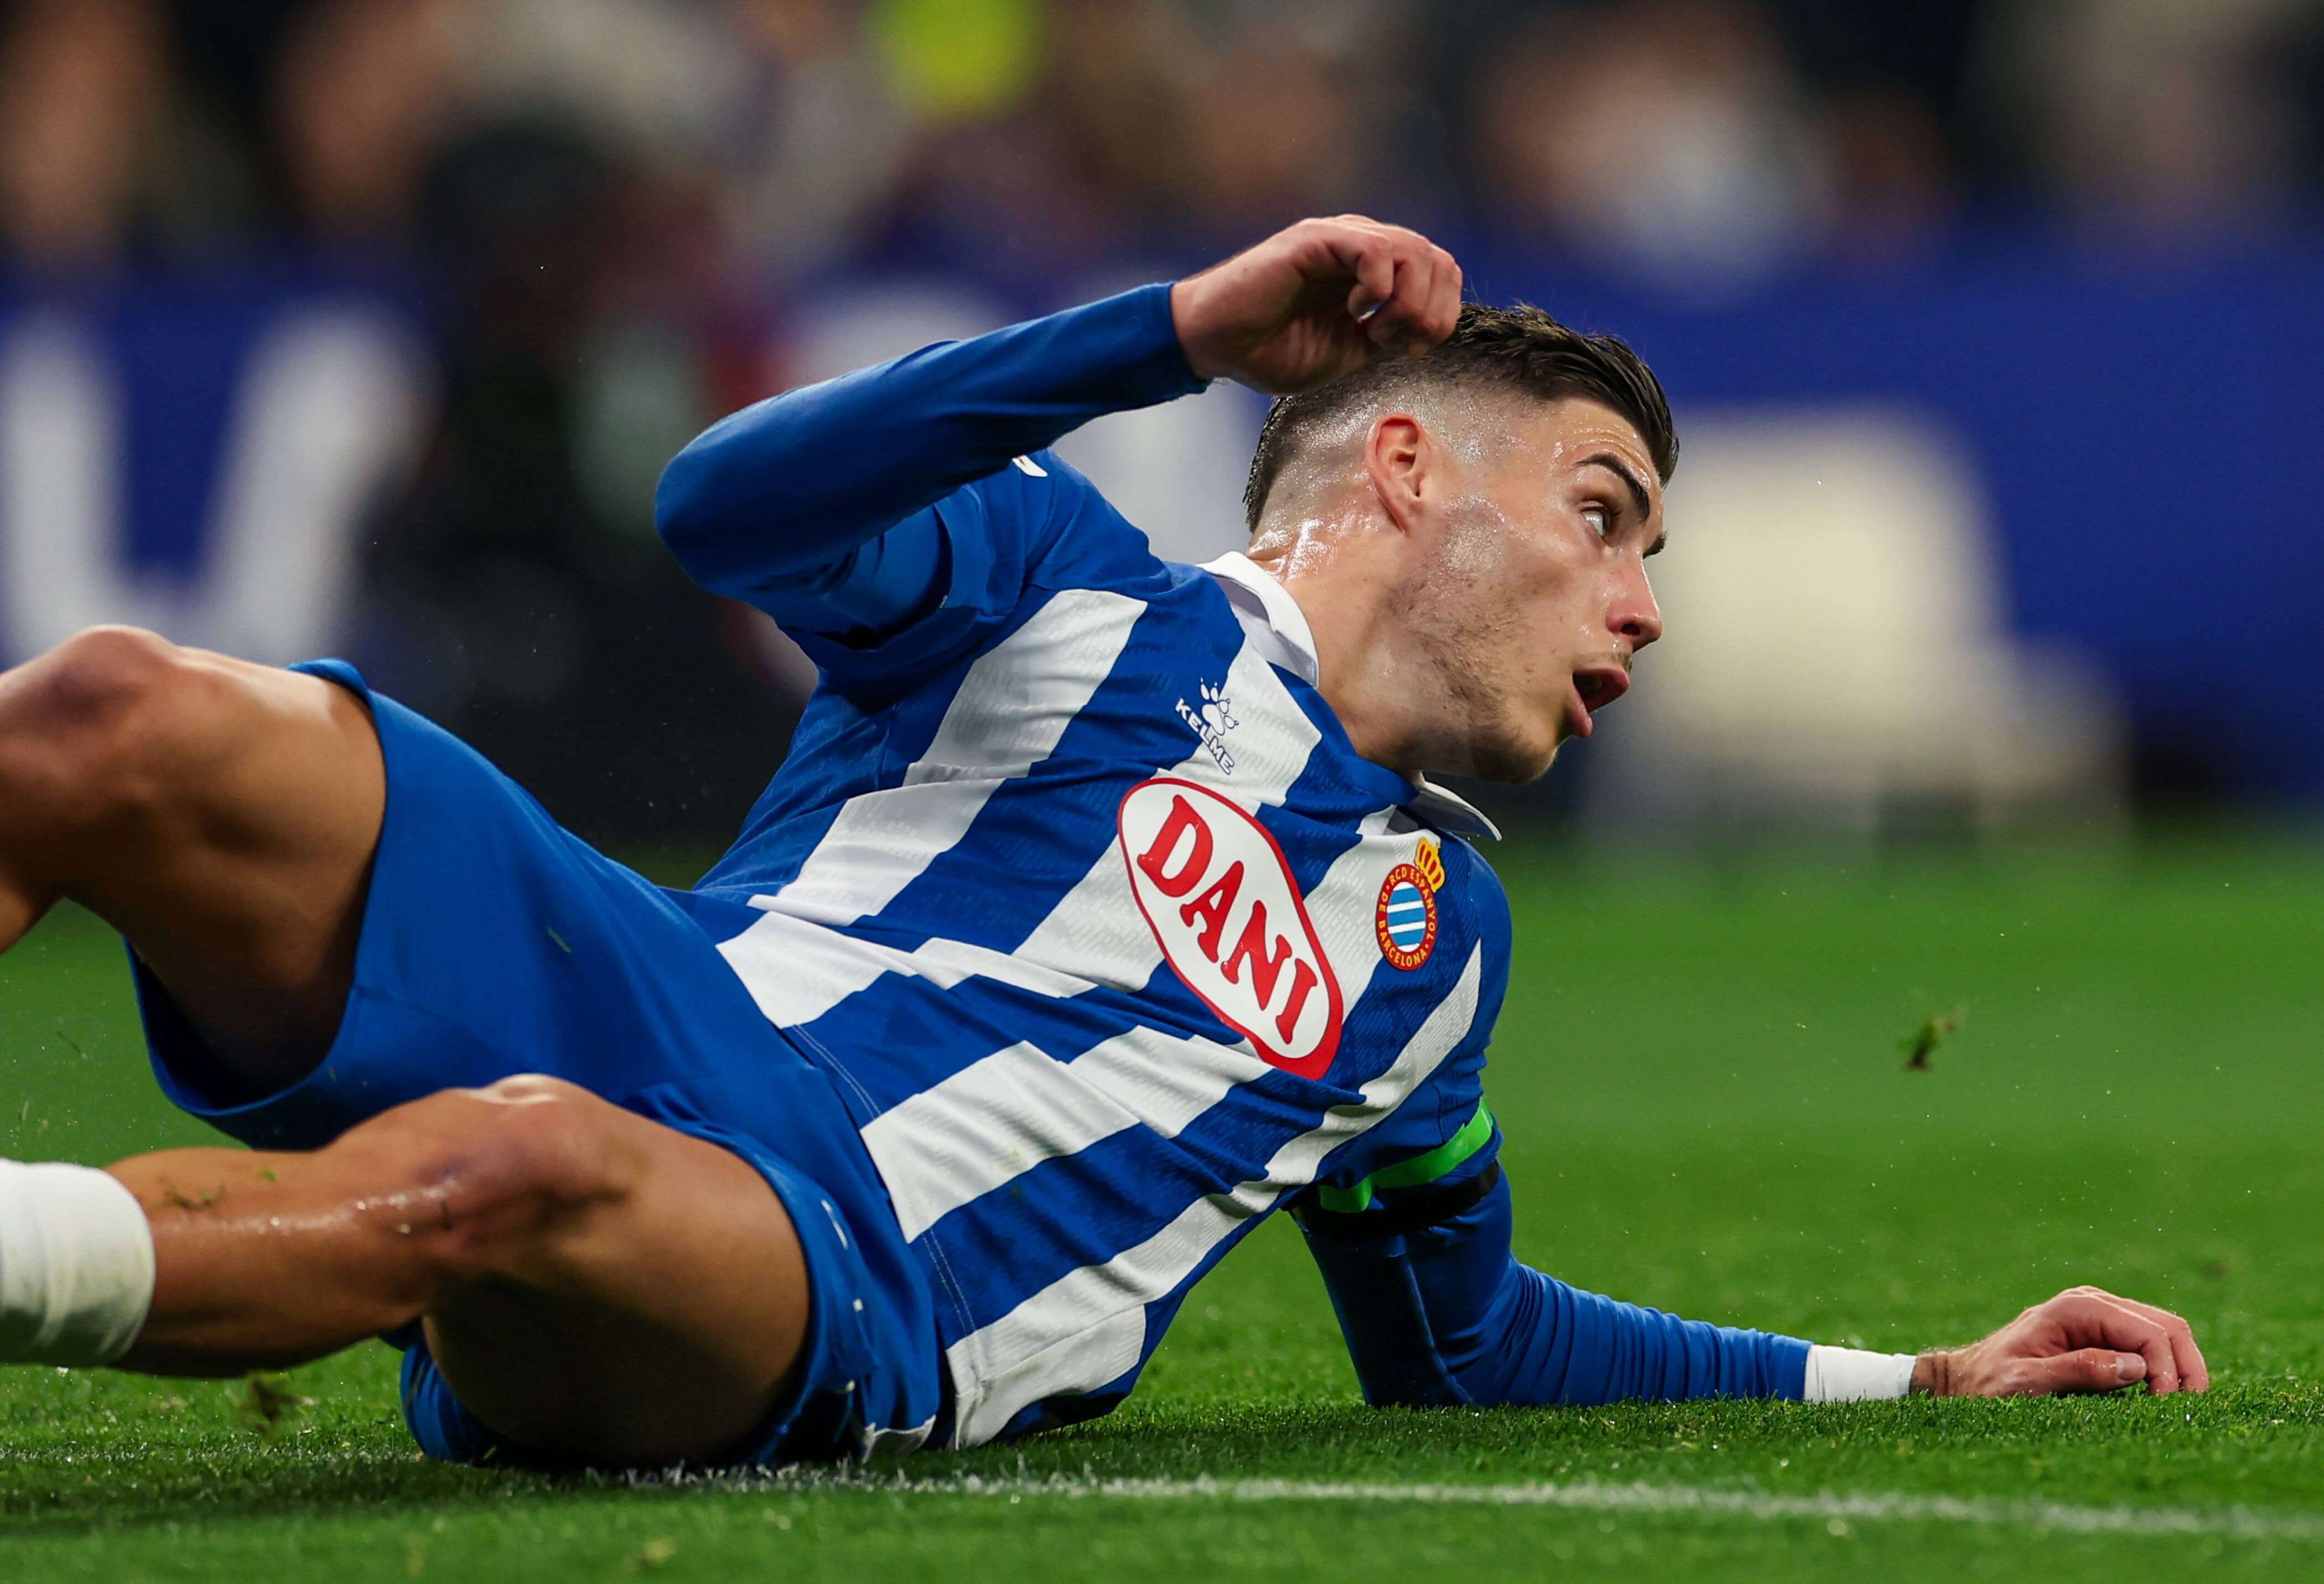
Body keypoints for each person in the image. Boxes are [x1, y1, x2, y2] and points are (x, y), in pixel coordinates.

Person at [0, 216, 2207, 1466]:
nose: (1645, 601)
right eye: (1607, 516)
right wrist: (1162, 339)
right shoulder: (1063, 578)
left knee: (527, 1160)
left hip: (832, 1276)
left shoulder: (1433, 940)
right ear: (1409, 467)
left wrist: (1916, 1370)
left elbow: (1464, 1349)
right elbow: (718, 506)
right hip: (662, 984)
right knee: (110, 713)